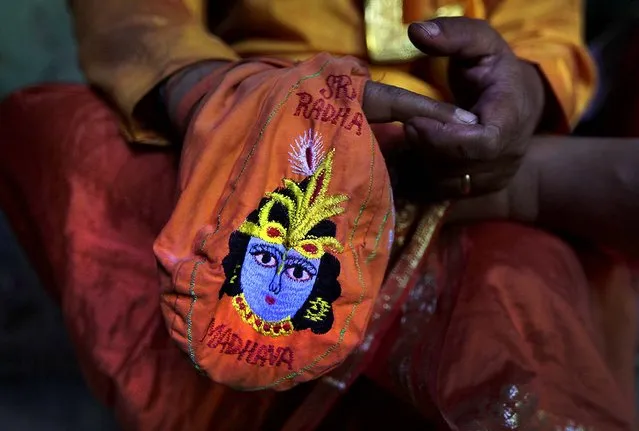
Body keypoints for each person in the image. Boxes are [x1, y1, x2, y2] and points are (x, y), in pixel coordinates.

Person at [1, 0, 634, 429]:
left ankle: (461, 187)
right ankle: (453, 190)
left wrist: (525, 84)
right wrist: (209, 89)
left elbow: (544, 28)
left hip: (453, 139)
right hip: (258, 126)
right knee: (56, 134)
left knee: (516, 301)